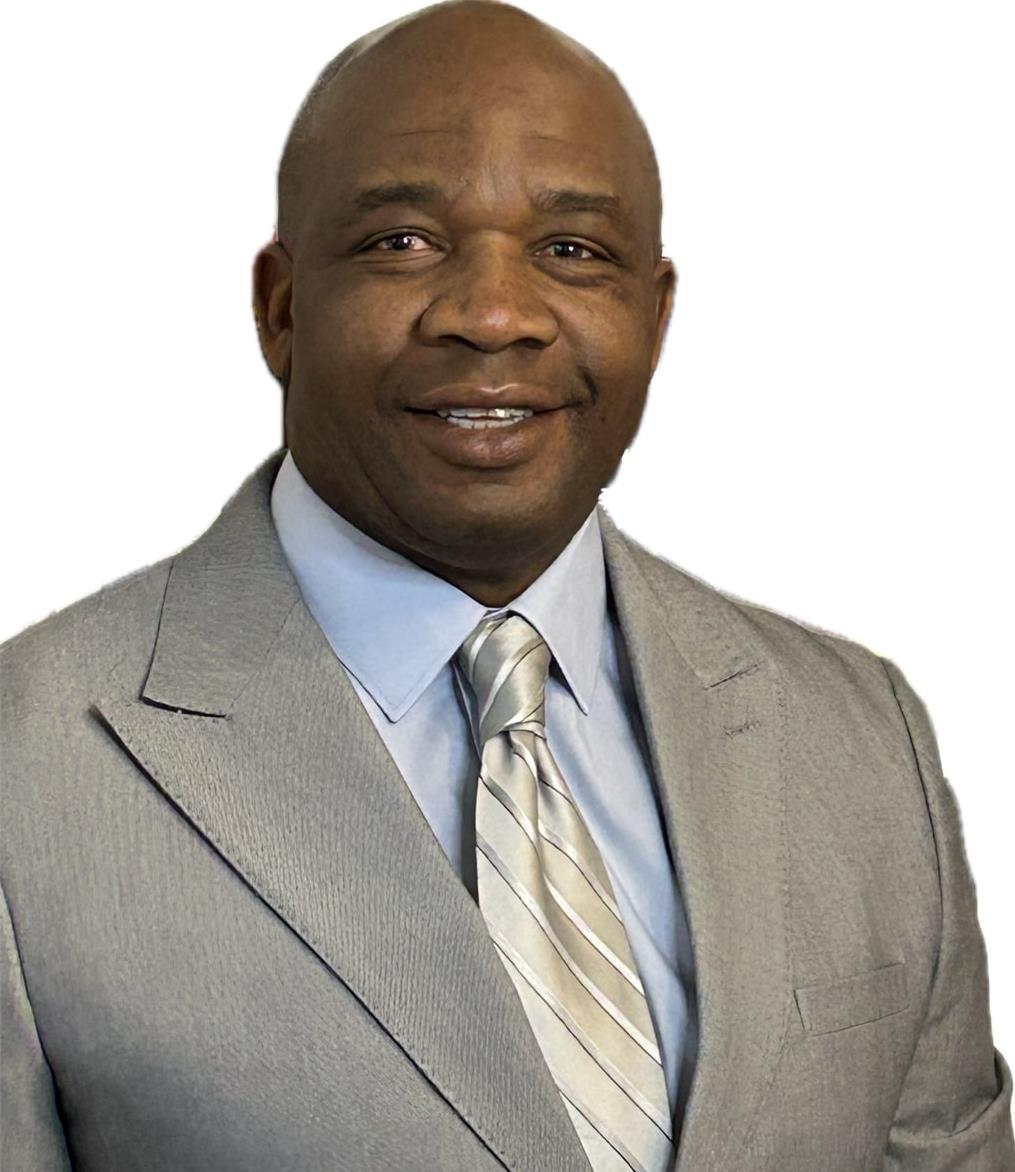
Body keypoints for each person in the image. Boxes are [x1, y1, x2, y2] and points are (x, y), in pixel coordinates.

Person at [1, 1, 1012, 1168]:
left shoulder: (861, 735)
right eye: (402, 241)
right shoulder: (28, 766)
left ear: (655, 314)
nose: (493, 315)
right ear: (281, 307)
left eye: (571, 250)